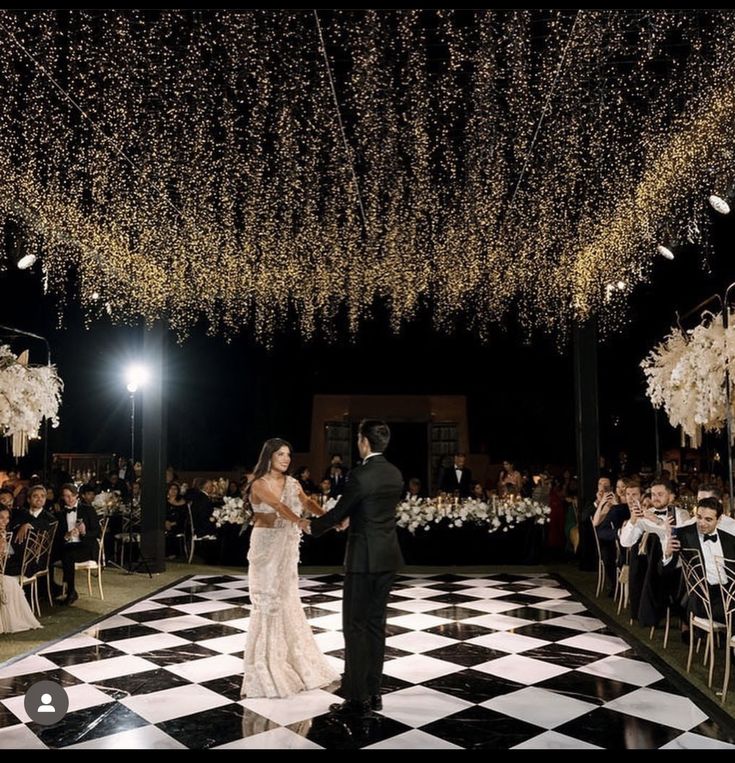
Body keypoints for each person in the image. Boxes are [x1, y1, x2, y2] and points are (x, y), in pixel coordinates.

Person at [302, 419, 404, 718]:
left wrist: (313, 527)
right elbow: (370, 510)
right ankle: (374, 693)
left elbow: (340, 511)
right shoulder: (395, 473)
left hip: (363, 560)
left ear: (364, 442)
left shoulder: (360, 475)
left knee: (354, 628)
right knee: (375, 627)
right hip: (388, 558)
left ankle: (356, 698)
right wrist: (351, 518)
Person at [241, 438, 339, 699]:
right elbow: (278, 506)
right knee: (267, 600)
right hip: (265, 549)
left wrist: (331, 520)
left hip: (286, 549)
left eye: (288, 454)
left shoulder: (293, 483)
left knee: (287, 599)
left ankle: (292, 661)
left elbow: (307, 503)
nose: (286, 459)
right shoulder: (259, 483)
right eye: (280, 454)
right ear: (269, 456)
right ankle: (267, 664)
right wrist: (301, 523)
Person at [0, 506, 42, 634]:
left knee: (9, 582)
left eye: (7, 518)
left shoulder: (6, 533)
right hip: (4, 569)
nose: (5, 521)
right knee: (9, 582)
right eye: (1, 518)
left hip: (6, 569)